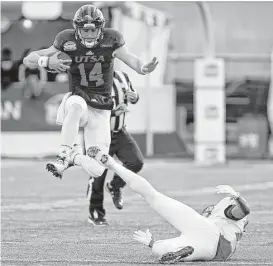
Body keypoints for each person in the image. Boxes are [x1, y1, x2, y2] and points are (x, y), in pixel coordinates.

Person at [23, 4, 158, 179]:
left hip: (102, 107)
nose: (88, 35)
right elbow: (29, 59)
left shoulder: (112, 39)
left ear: (101, 28)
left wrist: (144, 68)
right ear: (76, 28)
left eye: (93, 30)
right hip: (79, 97)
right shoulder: (66, 40)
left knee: (98, 170)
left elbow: (131, 59)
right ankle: (64, 155)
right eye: (84, 30)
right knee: (75, 107)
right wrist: (45, 62)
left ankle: (75, 157)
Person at [87, 147, 251, 263]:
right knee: (159, 249)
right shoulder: (233, 236)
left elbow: (243, 210)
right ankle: (184, 253)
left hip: (211, 234)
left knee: (152, 196)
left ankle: (112, 165)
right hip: (210, 252)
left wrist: (235, 195)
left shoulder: (230, 212)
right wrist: (150, 242)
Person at [86, 70, 144, 226]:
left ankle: (114, 186)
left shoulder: (122, 75)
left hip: (119, 132)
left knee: (136, 162)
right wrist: (112, 112)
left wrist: (134, 96)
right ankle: (96, 213)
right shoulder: (94, 78)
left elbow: (132, 94)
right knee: (99, 173)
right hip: (100, 134)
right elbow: (90, 108)